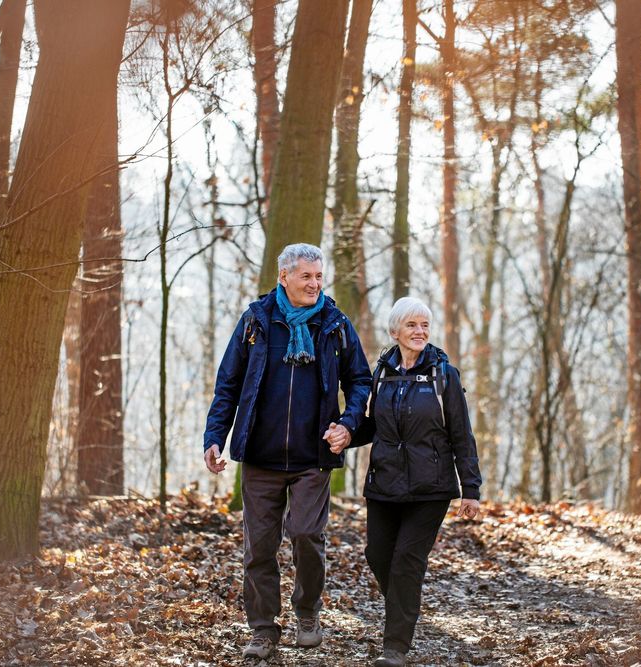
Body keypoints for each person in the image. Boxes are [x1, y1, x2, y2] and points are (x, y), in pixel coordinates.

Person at [203, 243, 372, 660]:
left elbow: (360, 381)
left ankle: (308, 613)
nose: (315, 284)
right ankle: (263, 628)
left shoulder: (334, 325)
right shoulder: (256, 322)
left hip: (312, 458)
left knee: (306, 536)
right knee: (259, 547)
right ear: (284, 278)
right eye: (306, 277)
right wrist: (214, 437)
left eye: (319, 277)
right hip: (260, 458)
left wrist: (348, 425)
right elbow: (228, 383)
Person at [326, 296, 482, 667]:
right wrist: (347, 433)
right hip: (385, 484)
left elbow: (462, 435)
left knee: (406, 562)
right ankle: (405, 607)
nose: (420, 332)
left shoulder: (445, 375)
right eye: (412, 325)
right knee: (378, 555)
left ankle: (394, 646)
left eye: (425, 325)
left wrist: (470, 489)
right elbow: (374, 425)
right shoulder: (381, 372)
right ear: (395, 331)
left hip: (431, 489)